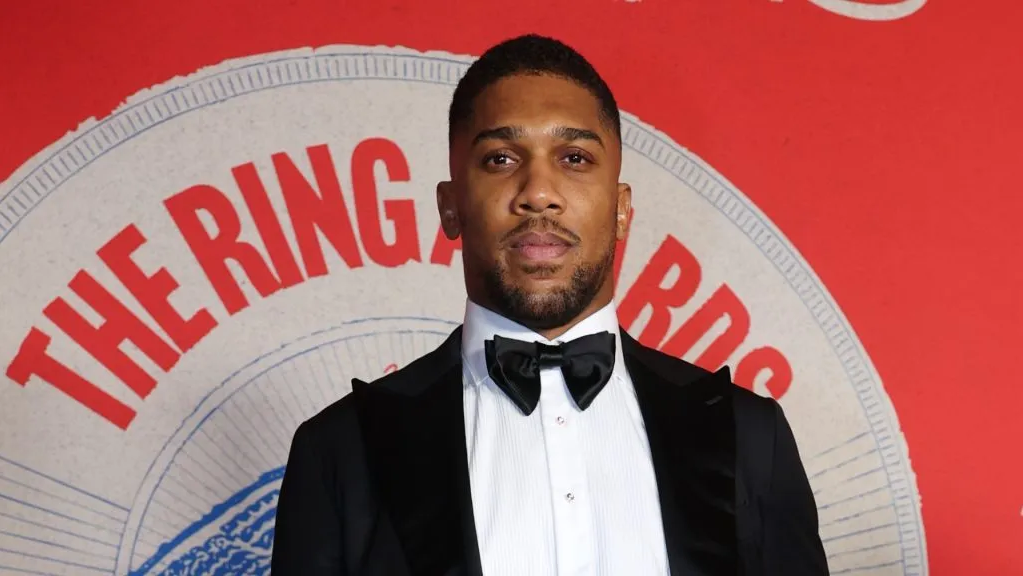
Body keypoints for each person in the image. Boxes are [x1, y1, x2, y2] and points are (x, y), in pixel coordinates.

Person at [270, 34, 828, 576]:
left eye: (575, 157)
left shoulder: (751, 437)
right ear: (450, 208)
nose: (539, 191)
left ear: (622, 207)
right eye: (501, 159)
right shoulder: (342, 452)